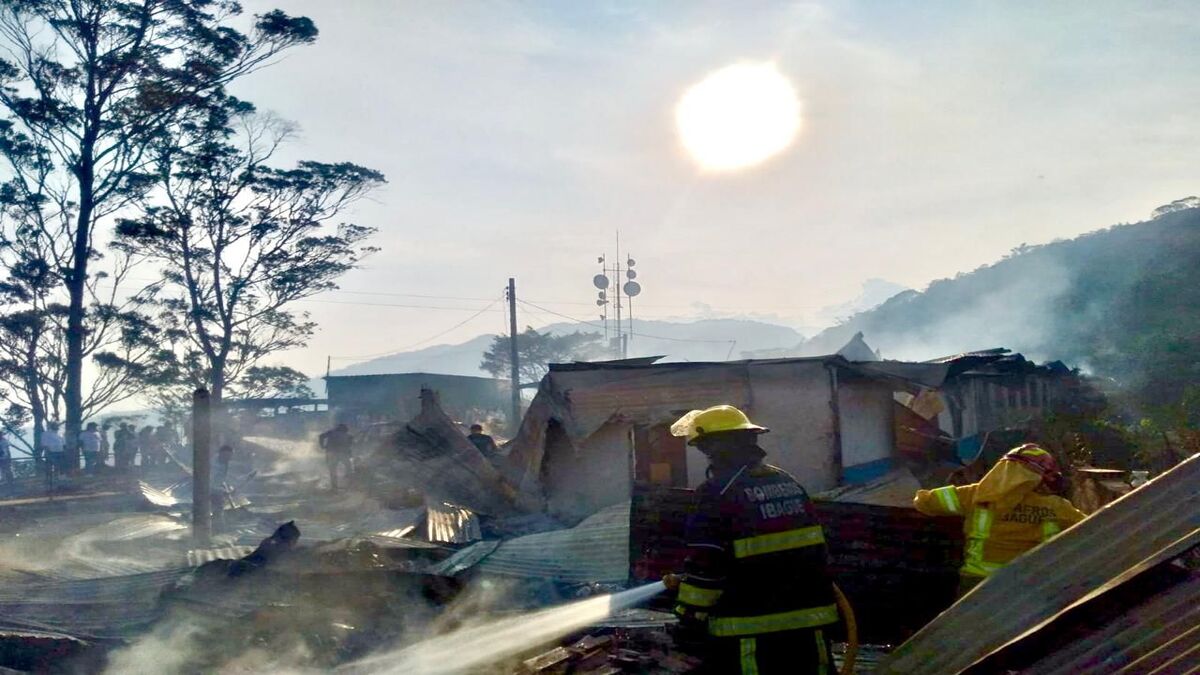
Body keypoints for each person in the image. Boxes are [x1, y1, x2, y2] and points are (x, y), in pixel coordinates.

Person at [667, 405, 838, 674]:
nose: (705, 455)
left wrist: (689, 617)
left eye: (704, 448)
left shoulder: (718, 493)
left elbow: (707, 565)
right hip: (812, 625)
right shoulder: (787, 482)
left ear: (715, 447)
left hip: (752, 632)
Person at [914, 443, 1087, 597]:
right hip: (1027, 585)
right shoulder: (1056, 506)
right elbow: (1091, 528)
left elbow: (924, 502)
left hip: (976, 583)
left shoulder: (975, 495)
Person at [318, 423, 354, 491]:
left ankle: (334, 487)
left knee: (332, 470)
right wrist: (348, 451)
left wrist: (322, 446)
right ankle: (350, 485)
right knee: (349, 468)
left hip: (332, 453)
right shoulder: (348, 435)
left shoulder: (331, 432)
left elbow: (321, 436)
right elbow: (350, 444)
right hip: (343, 453)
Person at [41, 422, 66, 489]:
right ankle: (50, 481)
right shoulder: (46, 434)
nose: (57, 426)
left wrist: (64, 450)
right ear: (52, 426)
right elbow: (44, 444)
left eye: (57, 425)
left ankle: (60, 480)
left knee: (61, 467)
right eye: (55, 425)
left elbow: (63, 443)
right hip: (51, 453)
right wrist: (48, 452)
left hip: (60, 452)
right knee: (51, 467)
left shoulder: (60, 433)